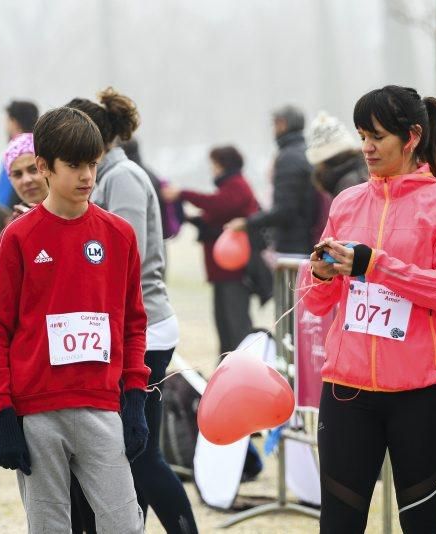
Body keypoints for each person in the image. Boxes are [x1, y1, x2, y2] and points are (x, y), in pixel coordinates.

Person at [304, 85, 436, 533]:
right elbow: (317, 303)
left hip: (422, 393)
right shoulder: (346, 201)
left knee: (421, 526)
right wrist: (320, 274)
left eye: (376, 136)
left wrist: (374, 264)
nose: (366, 148)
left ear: (412, 136)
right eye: (361, 135)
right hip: (347, 391)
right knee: (338, 524)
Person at [0, 107, 149, 534]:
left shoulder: (119, 234)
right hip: (36, 414)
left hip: (102, 406)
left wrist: (135, 397)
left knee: (126, 526)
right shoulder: (17, 238)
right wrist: (2, 413)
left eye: (92, 163)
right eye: (74, 165)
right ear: (44, 167)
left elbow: (133, 323)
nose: (87, 175)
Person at [66, 88, 198, 534]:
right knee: (130, 452)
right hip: (127, 327)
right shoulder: (110, 176)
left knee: (141, 454)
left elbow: (123, 258)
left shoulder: (122, 179)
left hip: (145, 328)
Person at [162, 146, 259, 359]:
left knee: (236, 327)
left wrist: (183, 193)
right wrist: (189, 218)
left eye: (214, 164)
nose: (212, 169)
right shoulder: (231, 187)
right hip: (221, 273)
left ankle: (242, 369)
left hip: (234, 273)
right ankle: (226, 371)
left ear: (224, 164)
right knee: (224, 325)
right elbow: (213, 217)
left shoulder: (237, 187)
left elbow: (216, 206)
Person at [225, 105, 315, 256]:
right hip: (305, 242)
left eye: (274, 124)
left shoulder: (289, 158)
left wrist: (248, 223)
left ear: (282, 124)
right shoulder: (304, 151)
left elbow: (285, 210)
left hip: (294, 247)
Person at [0, 100, 39, 207]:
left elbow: (2, 198)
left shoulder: (13, 154)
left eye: (33, 170)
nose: (27, 180)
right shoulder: (44, 147)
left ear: (14, 122)